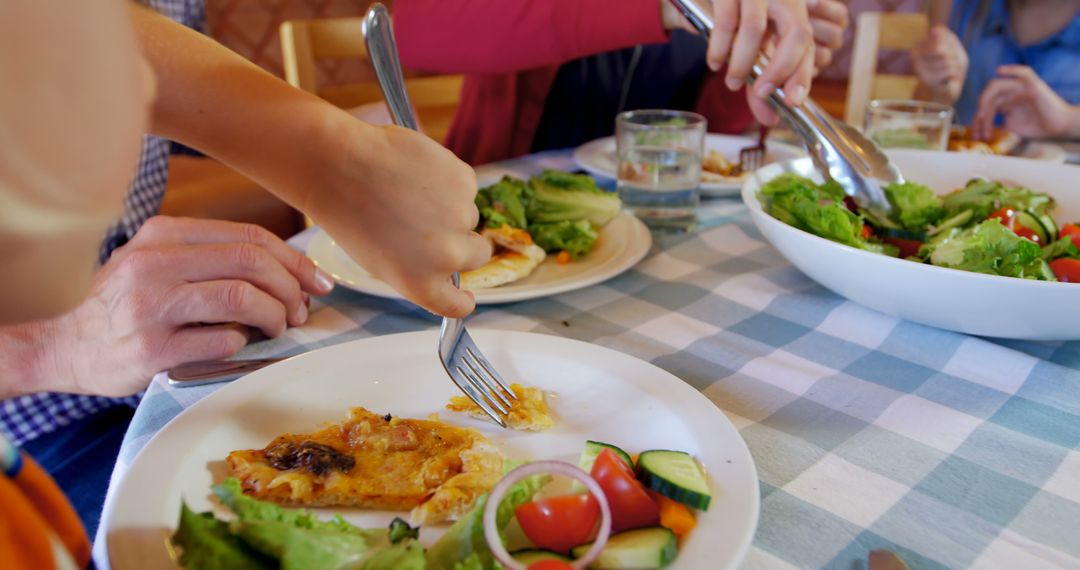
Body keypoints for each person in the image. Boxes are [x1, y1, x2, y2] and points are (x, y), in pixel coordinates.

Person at [2, 0, 492, 537]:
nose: (137, 83)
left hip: (180, 363)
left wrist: (322, 135)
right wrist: (47, 345)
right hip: (43, 435)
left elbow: (140, 98)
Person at [393, 0, 849, 165]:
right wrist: (671, 5)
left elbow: (711, 134)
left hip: (654, 217)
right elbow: (416, 31)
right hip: (494, 215)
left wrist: (758, 58)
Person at [913, 0, 1080, 125]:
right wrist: (939, 92)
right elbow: (921, 119)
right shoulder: (954, 6)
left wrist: (1067, 119)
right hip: (965, 164)